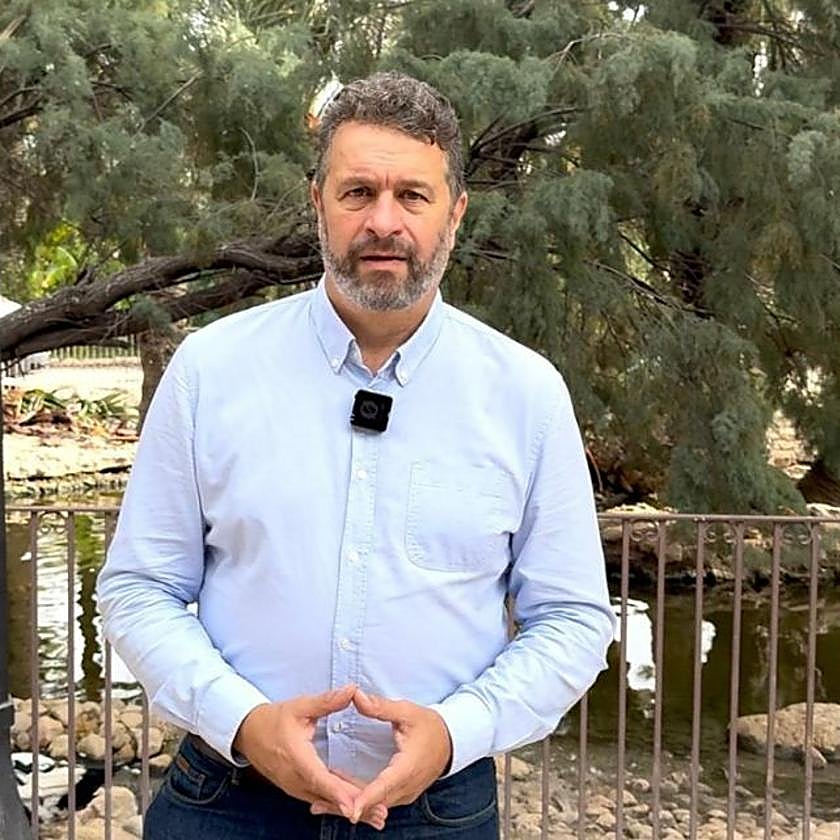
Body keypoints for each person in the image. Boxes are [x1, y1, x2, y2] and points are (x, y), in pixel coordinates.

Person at [96, 71, 615, 839]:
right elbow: (139, 587)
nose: (384, 222)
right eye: (357, 193)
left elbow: (572, 619)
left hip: (437, 811)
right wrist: (243, 722)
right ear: (318, 205)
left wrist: (454, 732)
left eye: (413, 195)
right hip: (228, 801)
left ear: (455, 214)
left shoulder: (526, 394)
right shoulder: (211, 370)